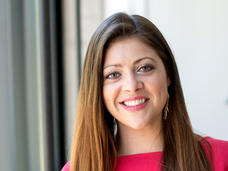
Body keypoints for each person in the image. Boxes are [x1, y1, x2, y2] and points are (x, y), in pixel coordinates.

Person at [62, 12, 228, 171]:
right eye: (113, 74)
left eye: (144, 68)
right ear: (97, 89)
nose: (132, 85)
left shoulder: (222, 159)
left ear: (168, 75)